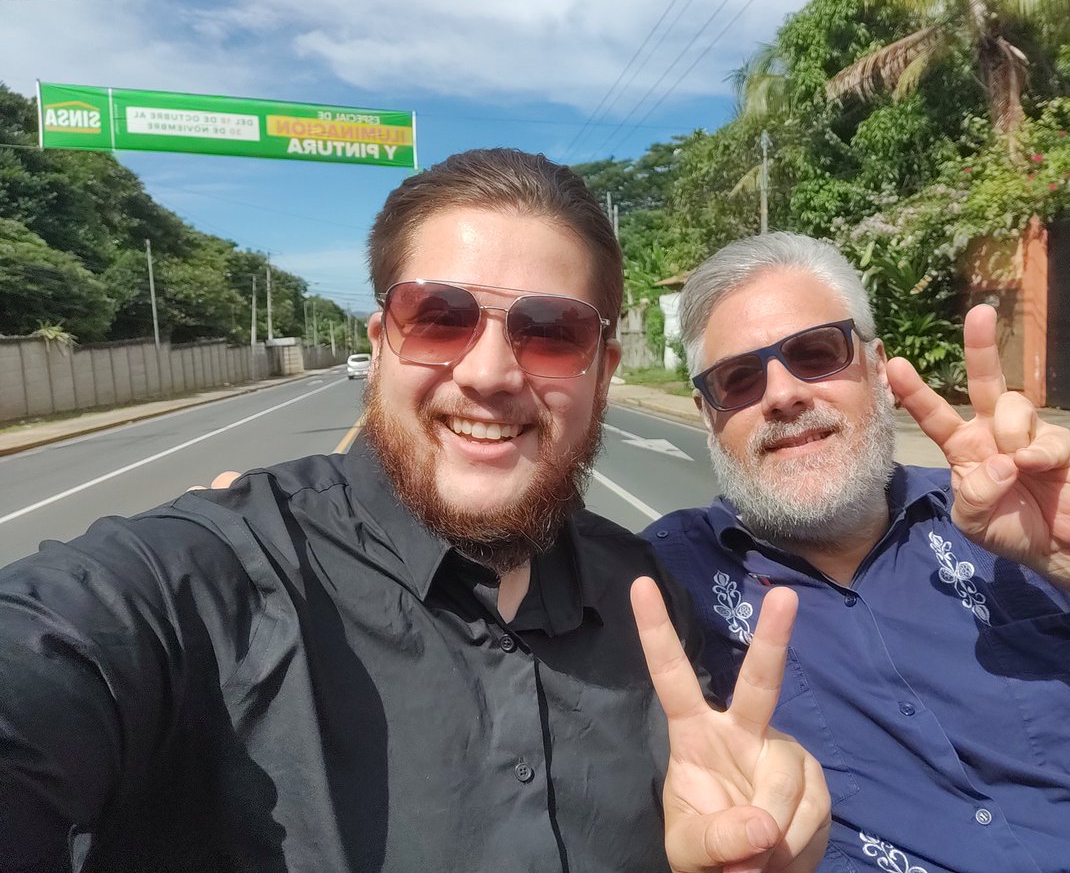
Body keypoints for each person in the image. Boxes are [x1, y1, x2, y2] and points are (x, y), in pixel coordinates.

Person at [0, 151, 830, 873]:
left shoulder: (645, 595)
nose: (490, 373)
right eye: (441, 317)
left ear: (603, 369)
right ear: (382, 339)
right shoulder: (212, 576)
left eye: (551, 332)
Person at [648, 231, 1070, 872]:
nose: (781, 394)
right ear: (706, 413)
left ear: (879, 370)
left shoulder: (1014, 511)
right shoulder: (660, 581)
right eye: (738, 378)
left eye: (816, 352)